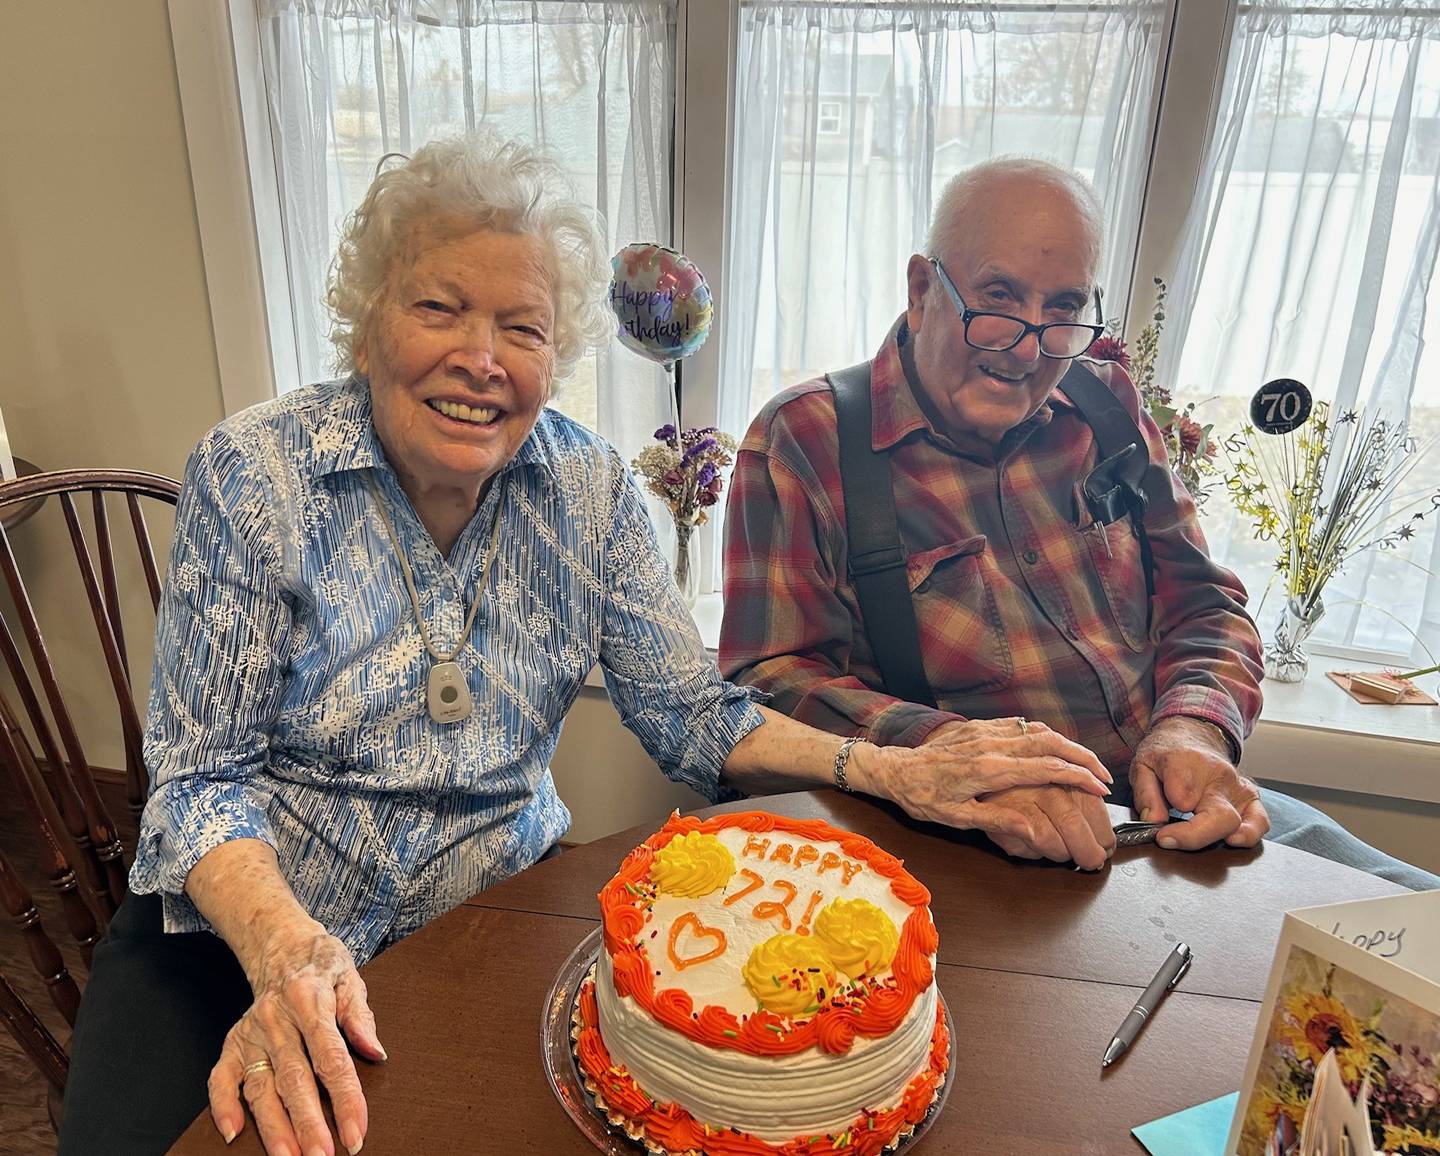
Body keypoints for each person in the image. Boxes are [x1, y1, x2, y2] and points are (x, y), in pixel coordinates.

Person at [58, 138, 1116, 1156]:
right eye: (439, 307)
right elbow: (197, 783)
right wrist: (287, 949)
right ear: (369, 320)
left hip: (484, 923)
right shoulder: (256, 474)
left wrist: (896, 768)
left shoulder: (591, 490)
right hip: (241, 935)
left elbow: (694, 717)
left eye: (521, 328)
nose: (480, 358)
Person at [720, 156, 1440, 892]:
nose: (1029, 349)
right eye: (998, 299)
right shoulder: (807, 439)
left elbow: (1205, 605)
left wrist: (1194, 727)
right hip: (971, 844)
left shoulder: (1107, 406)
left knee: (1410, 926)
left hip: (1177, 820)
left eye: (1063, 310)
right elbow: (768, 681)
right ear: (921, 290)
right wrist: (955, 756)